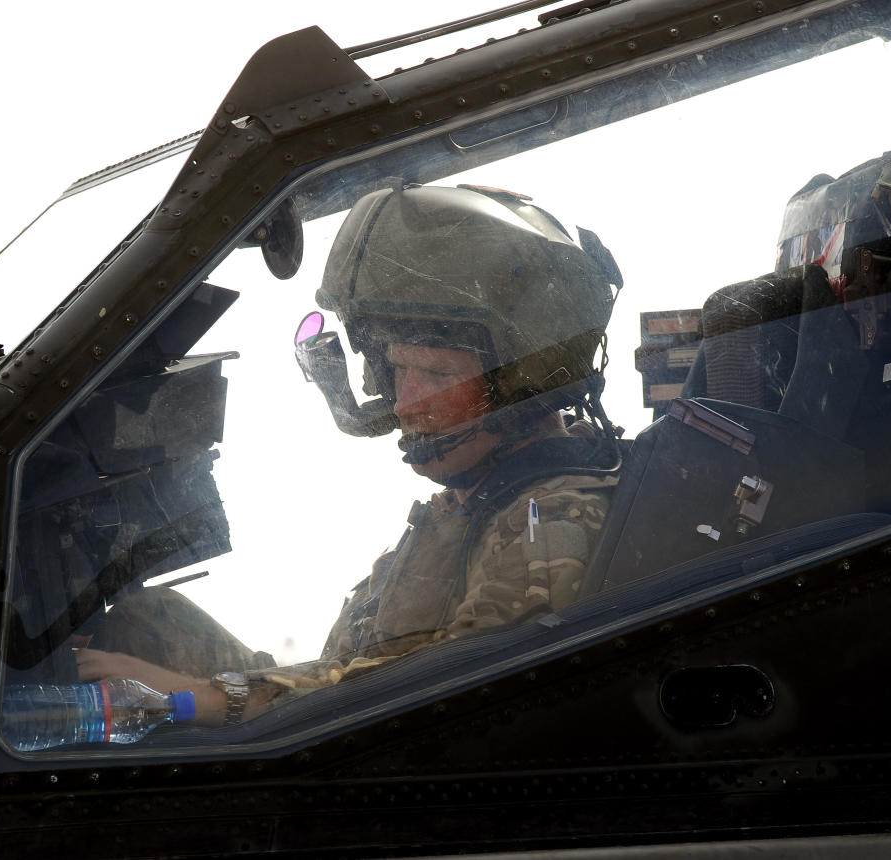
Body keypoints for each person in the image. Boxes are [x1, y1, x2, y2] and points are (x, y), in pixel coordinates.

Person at [74, 183, 623, 726]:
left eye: (434, 373)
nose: (406, 402)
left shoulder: (547, 518)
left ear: (522, 386)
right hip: (334, 721)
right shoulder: (470, 503)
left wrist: (211, 700)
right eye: (396, 369)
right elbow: (347, 668)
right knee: (148, 621)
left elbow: (435, 698)